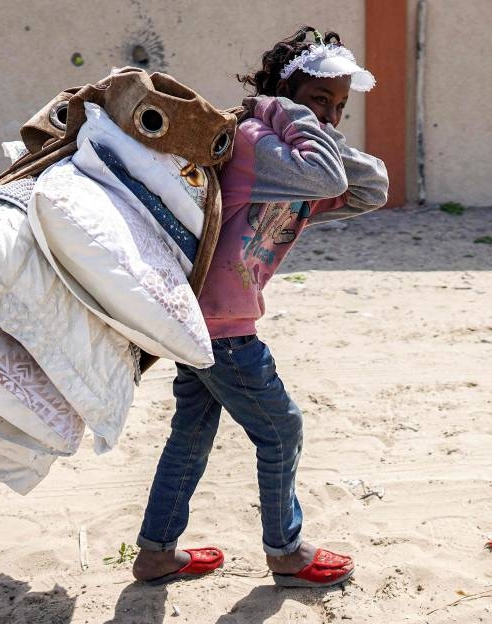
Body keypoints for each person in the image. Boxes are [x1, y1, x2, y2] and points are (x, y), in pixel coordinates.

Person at [132, 26, 389, 587]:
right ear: (283, 90)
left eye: (341, 107)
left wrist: (314, 126)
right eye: (318, 99)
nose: (329, 116)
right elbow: (327, 176)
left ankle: (156, 552)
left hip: (205, 318)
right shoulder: (255, 141)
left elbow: (372, 189)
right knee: (281, 429)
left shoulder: (296, 156)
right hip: (222, 324)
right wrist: (277, 109)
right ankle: (287, 552)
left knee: (192, 433)